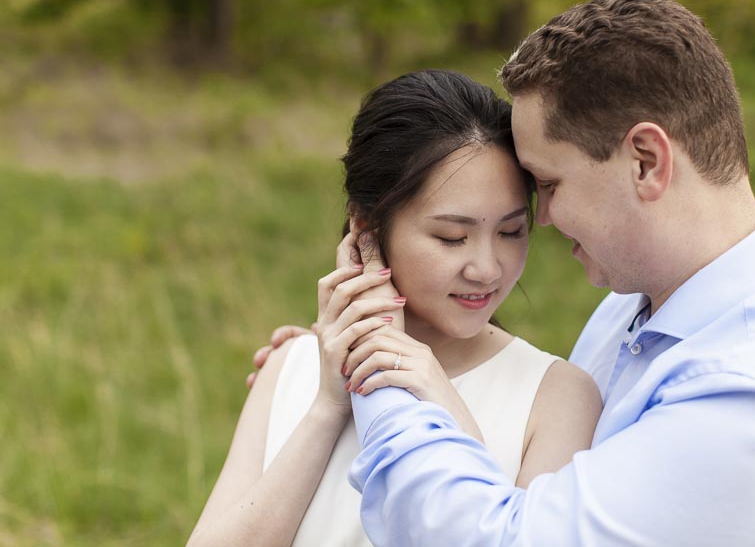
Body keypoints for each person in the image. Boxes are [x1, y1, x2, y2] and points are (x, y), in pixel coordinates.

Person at [255, 0, 755, 545]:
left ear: (645, 161)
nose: (541, 220)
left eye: (550, 184)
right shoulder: (641, 304)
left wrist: (376, 358)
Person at [188, 70, 602, 546]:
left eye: (511, 231)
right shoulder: (291, 367)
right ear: (366, 225)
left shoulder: (557, 398)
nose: (487, 269)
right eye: (452, 237)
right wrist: (328, 406)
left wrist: (441, 400)